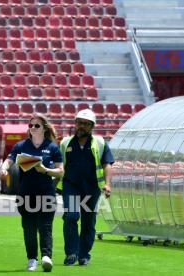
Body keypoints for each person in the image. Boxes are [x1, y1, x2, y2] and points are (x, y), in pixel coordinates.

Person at [0, 114, 64, 272]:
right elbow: (9, 160)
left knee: (45, 226)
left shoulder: (53, 147)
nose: (33, 128)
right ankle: (32, 259)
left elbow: (60, 171)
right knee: (28, 228)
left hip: (46, 193)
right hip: (26, 194)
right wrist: (4, 168)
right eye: (31, 125)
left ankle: (46, 257)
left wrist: (46, 170)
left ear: (44, 128)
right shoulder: (21, 146)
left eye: (36, 125)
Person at [58, 109, 114, 266]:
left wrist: (107, 184)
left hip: (92, 188)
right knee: (71, 216)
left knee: (88, 222)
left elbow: (107, 164)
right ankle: (71, 253)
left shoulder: (100, 143)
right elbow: (59, 165)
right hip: (71, 186)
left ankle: (84, 254)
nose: (81, 126)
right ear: (75, 123)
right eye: (79, 123)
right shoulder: (65, 143)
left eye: (85, 124)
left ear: (92, 126)